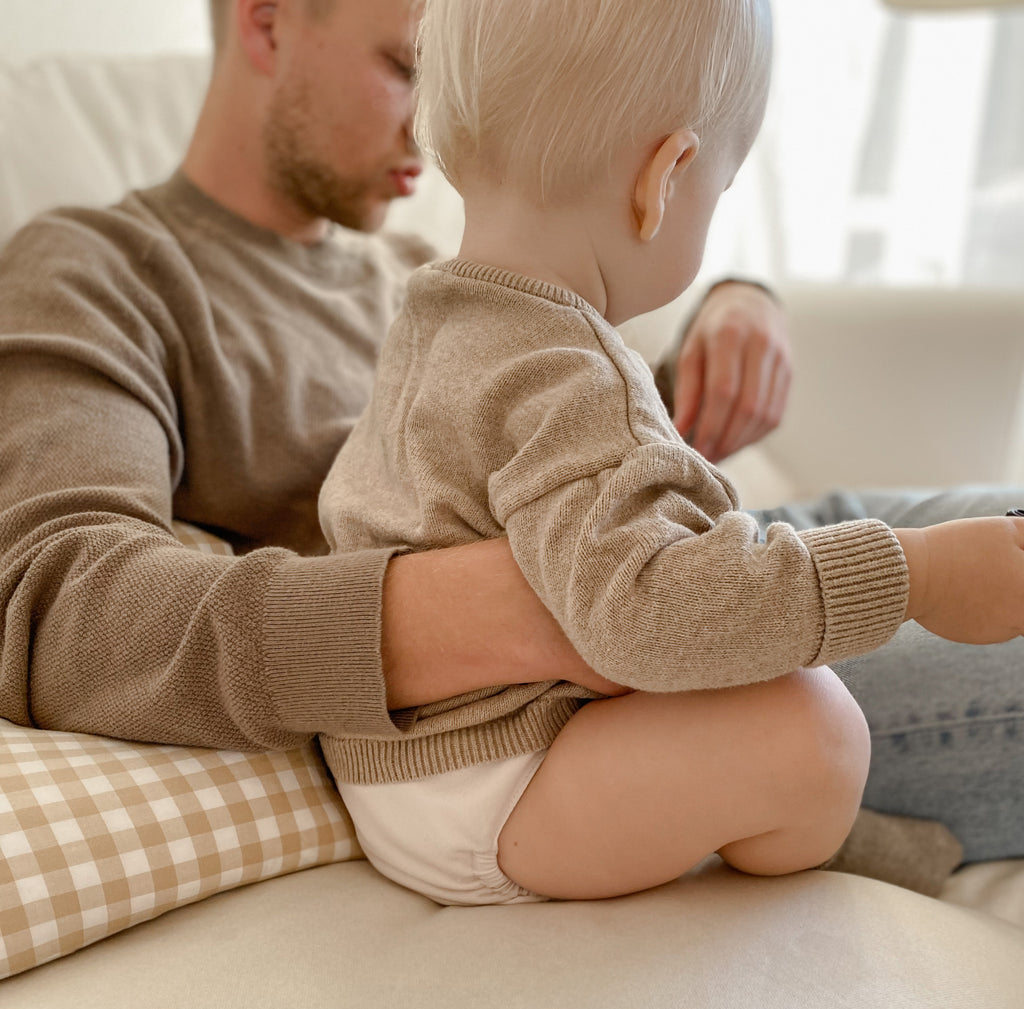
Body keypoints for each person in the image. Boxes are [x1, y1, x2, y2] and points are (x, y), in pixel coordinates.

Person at [0, 0, 1018, 890]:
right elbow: (56, 603)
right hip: (620, 649)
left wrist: (729, 307)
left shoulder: (419, 274)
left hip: (690, 557)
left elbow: (559, 445)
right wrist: (513, 613)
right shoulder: (99, 268)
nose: (438, 124)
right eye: (409, 66)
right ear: (267, 20)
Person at [313, 0, 1024, 905]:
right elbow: (645, 618)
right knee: (816, 728)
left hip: (393, 764)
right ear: (665, 177)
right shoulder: (574, 374)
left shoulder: (434, 319)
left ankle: (808, 821)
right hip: (492, 784)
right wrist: (915, 576)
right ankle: (813, 833)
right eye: (719, 192)